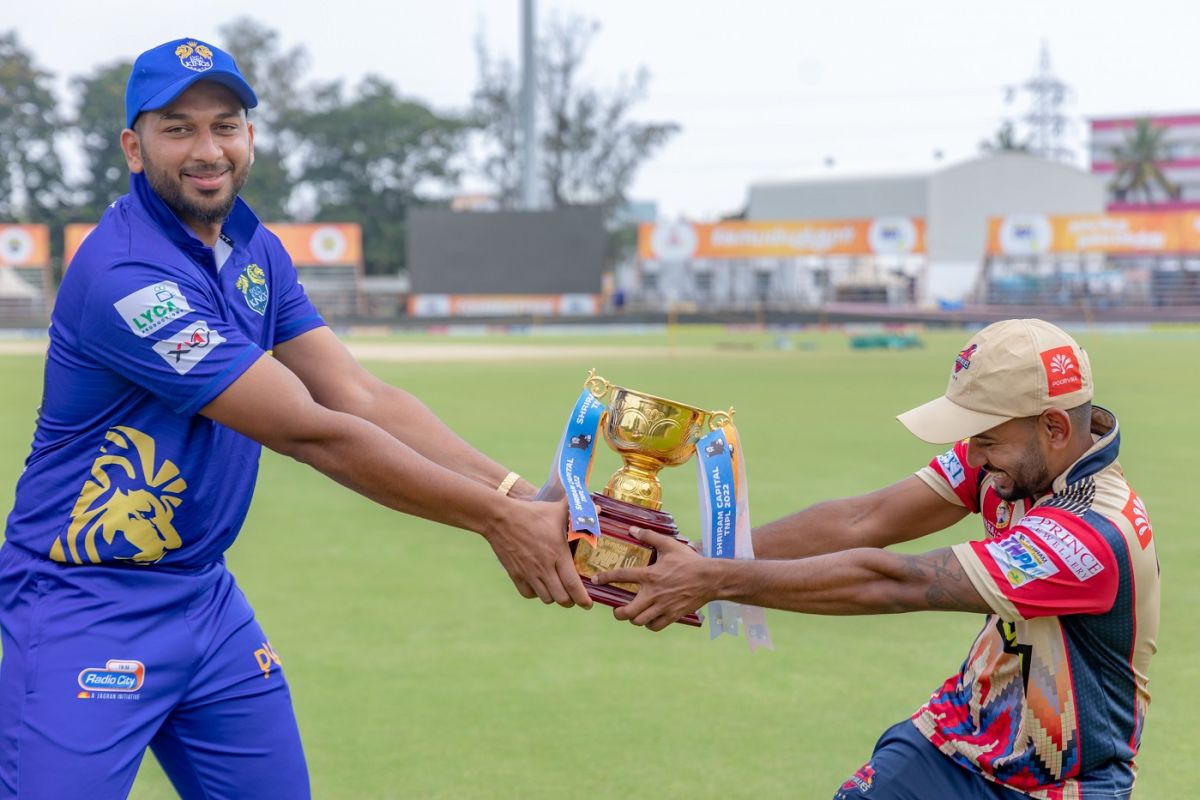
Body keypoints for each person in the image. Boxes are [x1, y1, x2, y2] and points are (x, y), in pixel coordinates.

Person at [0, 37, 589, 798]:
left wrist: (521, 498)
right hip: (85, 602)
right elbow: (313, 431)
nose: (207, 148)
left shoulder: (252, 247)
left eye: (226, 124)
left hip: (204, 598)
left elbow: (359, 395)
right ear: (133, 147)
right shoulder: (127, 276)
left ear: (250, 137)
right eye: (177, 128)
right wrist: (494, 520)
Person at [595, 318, 1159, 799]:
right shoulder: (1012, 461)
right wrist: (694, 558)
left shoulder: (1092, 535)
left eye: (985, 440)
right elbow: (865, 520)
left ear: (1055, 428)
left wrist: (714, 580)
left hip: (1065, 784)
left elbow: (895, 583)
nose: (975, 457)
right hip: (959, 736)